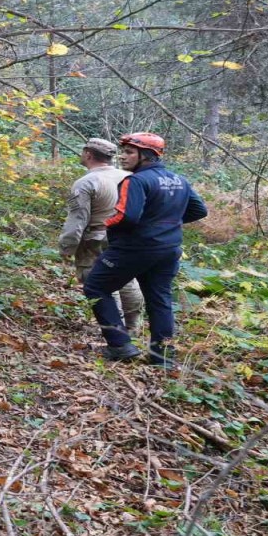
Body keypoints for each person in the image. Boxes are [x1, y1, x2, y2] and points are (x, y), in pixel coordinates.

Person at [82, 133, 207, 367]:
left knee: (96, 286)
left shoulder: (135, 181)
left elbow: (126, 217)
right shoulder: (179, 180)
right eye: (124, 151)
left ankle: (120, 345)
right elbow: (199, 210)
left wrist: (105, 225)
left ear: (146, 156)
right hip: (169, 248)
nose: (123, 156)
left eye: (130, 152)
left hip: (135, 248)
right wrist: (166, 223)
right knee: (160, 297)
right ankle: (163, 357)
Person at [58, 138, 145, 332]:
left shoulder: (86, 182)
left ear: (88, 154)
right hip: (128, 237)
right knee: (128, 279)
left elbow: (77, 219)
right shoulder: (129, 177)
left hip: (96, 239)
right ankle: (133, 327)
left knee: (100, 281)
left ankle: (114, 328)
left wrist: (67, 247)